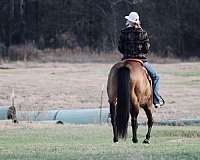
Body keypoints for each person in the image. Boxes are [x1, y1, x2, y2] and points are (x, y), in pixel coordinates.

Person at [118, 12, 161, 108]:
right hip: (141, 60)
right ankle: (156, 100)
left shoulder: (123, 32)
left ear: (129, 21)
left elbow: (120, 48)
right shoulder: (143, 33)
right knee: (156, 77)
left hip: (126, 59)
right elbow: (146, 49)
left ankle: (115, 101)